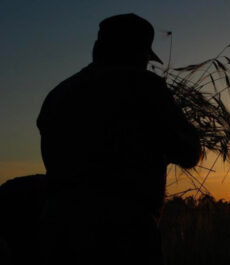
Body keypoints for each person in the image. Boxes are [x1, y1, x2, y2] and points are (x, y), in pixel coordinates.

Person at [36, 13, 201, 264]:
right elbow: (188, 152)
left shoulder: (58, 95)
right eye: (145, 58)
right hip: (123, 232)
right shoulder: (145, 85)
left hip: (56, 229)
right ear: (138, 55)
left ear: (97, 49)